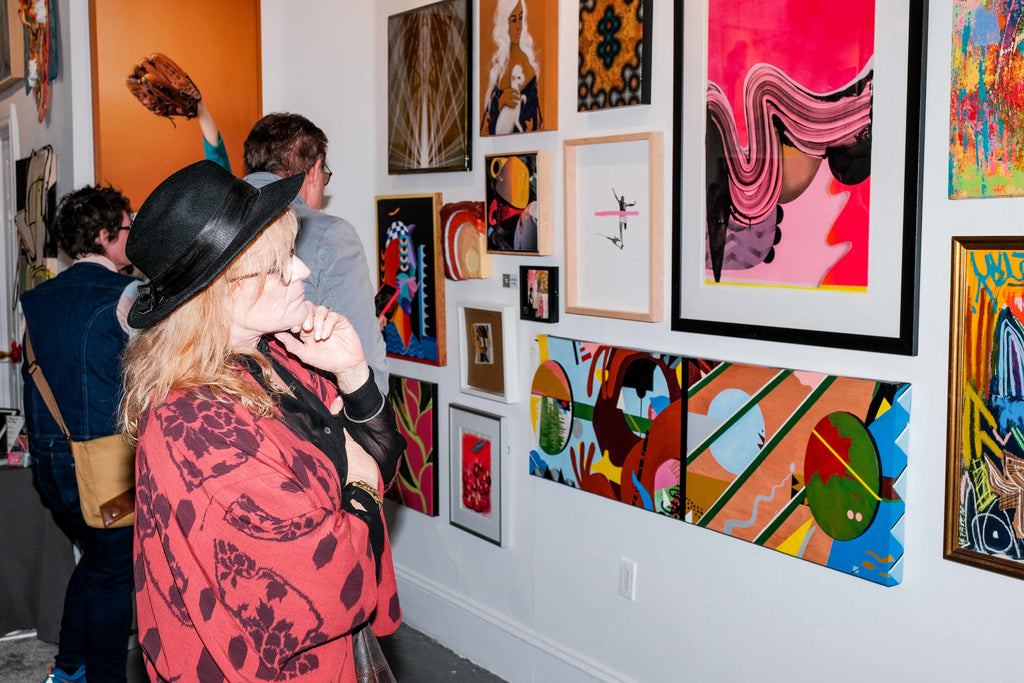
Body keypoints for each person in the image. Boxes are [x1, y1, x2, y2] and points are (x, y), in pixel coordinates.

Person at [120, 160, 403, 681]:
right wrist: (360, 485)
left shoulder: (276, 358)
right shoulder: (192, 424)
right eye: (277, 265)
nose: (302, 272)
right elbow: (322, 585)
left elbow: (382, 455)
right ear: (215, 296)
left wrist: (354, 372)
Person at [20, 185, 137, 683]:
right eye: (129, 228)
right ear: (107, 235)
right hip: (106, 467)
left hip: (50, 464)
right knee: (114, 575)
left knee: (95, 561)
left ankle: (68, 667)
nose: (134, 236)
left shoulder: (39, 299)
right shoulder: (127, 297)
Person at [243, 113, 389, 394]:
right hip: (312, 412)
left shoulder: (216, 220)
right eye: (324, 177)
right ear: (314, 170)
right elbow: (366, 362)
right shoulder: (330, 234)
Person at [481, 0, 542, 135]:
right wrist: (500, 102)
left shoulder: (530, 66)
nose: (518, 26)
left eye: (520, 18)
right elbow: (486, 128)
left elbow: (537, 121)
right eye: (513, 20)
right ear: (504, 24)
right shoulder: (497, 71)